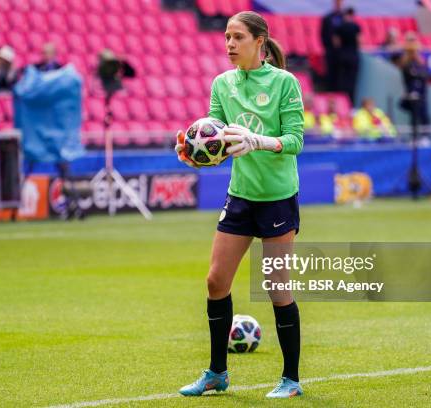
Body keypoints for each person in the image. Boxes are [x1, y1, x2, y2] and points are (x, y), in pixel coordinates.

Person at [174, 11, 305, 399]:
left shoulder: (285, 83)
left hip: (278, 197)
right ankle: (217, 373)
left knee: (276, 287)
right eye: (227, 37)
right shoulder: (222, 84)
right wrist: (191, 150)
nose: (229, 44)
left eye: (237, 37)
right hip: (241, 195)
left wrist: (258, 141)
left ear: (259, 42)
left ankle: (291, 380)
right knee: (216, 281)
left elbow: (295, 140)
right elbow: (212, 136)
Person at [398, 32, 430, 139]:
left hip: (422, 93)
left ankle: (426, 137)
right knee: (414, 116)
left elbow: (424, 75)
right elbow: (408, 75)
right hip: (411, 94)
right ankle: (414, 138)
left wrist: (419, 62)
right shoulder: (405, 62)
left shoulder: (420, 61)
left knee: (424, 115)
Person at [334, 7, 360, 104]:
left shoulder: (339, 27)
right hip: (353, 56)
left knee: (342, 80)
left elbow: (336, 43)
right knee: (352, 81)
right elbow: (359, 41)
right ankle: (351, 102)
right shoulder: (356, 26)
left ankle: (342, 103)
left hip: (342, 56)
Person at [321, 0, 344, 91]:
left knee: (341, 72)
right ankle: (330, 91)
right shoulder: (327, 18)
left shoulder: (345, 18)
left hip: (342, 52)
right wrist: (330, 44)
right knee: (330, 72)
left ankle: (340, 91)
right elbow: (323, 34)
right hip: (330, 51)